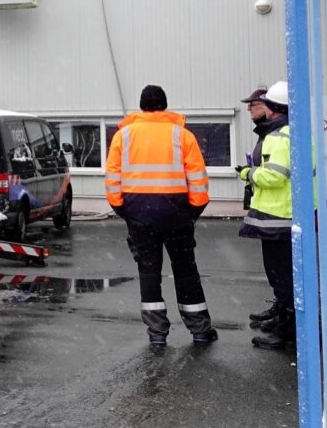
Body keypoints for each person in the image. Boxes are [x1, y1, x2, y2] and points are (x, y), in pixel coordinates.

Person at [105, 84, 216, 347]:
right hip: (177, 212)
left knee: (149, 273)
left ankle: (157, 333)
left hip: (139, 214)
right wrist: (192, 212)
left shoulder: (124, 136)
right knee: (186, 270)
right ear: (164, 105)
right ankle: (199, 329)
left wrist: (124, 210)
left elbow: (112, 179)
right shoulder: (183, 135)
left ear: (142, 106)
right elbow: (198, 180)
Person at [236, 80, 294, 349]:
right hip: (280, 218)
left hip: (279, 219)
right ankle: (284, 320)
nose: (251, 110)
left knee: (283, 276)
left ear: (273, 107)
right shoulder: (280, 133)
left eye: (257, 105)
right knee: (281, 275)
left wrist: (248, 174)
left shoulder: (280, 136)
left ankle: (287, 330)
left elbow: (275, 175)